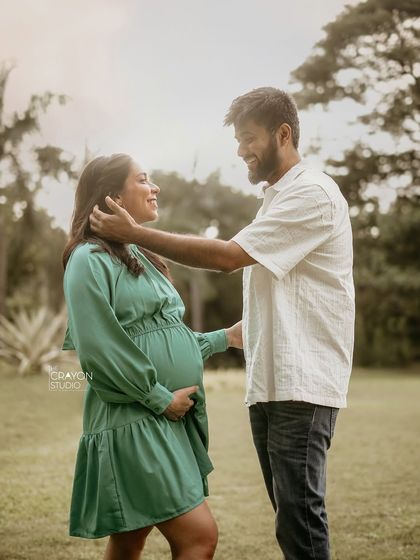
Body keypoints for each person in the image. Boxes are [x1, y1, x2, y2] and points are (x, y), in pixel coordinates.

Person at [89, 87, 355, 560]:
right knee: (290, 515)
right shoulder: (276, 199)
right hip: (271, 384)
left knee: (300, 516)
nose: (240, 151)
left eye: (248, 138)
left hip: (302, 385)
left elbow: (229, 257)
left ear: (284, 134)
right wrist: (228, 336)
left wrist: (134, 233)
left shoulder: (312, 193)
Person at [62, 153, 242, 560]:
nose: (154, 187)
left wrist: (224, 338)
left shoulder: (139, 255)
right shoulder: (87, 260)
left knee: (130, 537)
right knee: (199, 537)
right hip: (136, 416)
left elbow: (164, 337)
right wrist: (160, 398)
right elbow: (99, 351)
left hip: (159, 416)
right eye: (143, 180)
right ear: (113, 198)